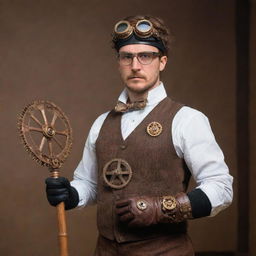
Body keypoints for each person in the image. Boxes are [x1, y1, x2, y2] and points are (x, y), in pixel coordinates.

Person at [45, 15, 233, 256]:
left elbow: (221, 187)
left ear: (162, 62)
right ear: (119, 62)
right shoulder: (102, 123)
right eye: (127, 57)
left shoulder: (187, 120)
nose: (135, 65)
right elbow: (90, 184)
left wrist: (160, 209)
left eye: (145, 56)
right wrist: (70, 194)